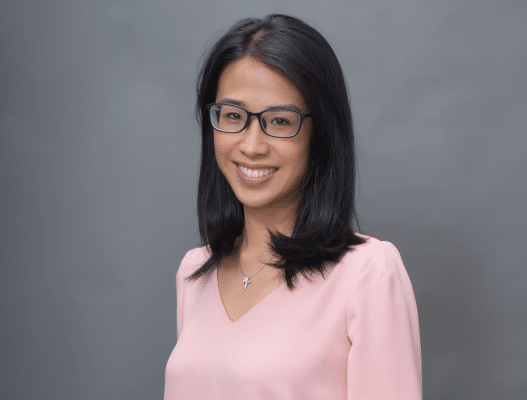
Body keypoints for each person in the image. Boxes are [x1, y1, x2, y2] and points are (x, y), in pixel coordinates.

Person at [164, 14, 421, 399]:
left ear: (322, 133)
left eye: (280, 121)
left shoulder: (367, 273)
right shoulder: (194, 273)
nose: (251, 146)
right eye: (233, 116)